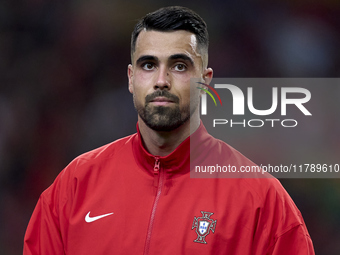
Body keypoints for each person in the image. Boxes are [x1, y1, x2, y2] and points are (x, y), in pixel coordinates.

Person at [24, 6, 315, 254]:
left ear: (205, 81)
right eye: (148, 65)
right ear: (130, 78)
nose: (161, 80)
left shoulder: (261, 199)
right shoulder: (73, 187)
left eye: (178, 66)